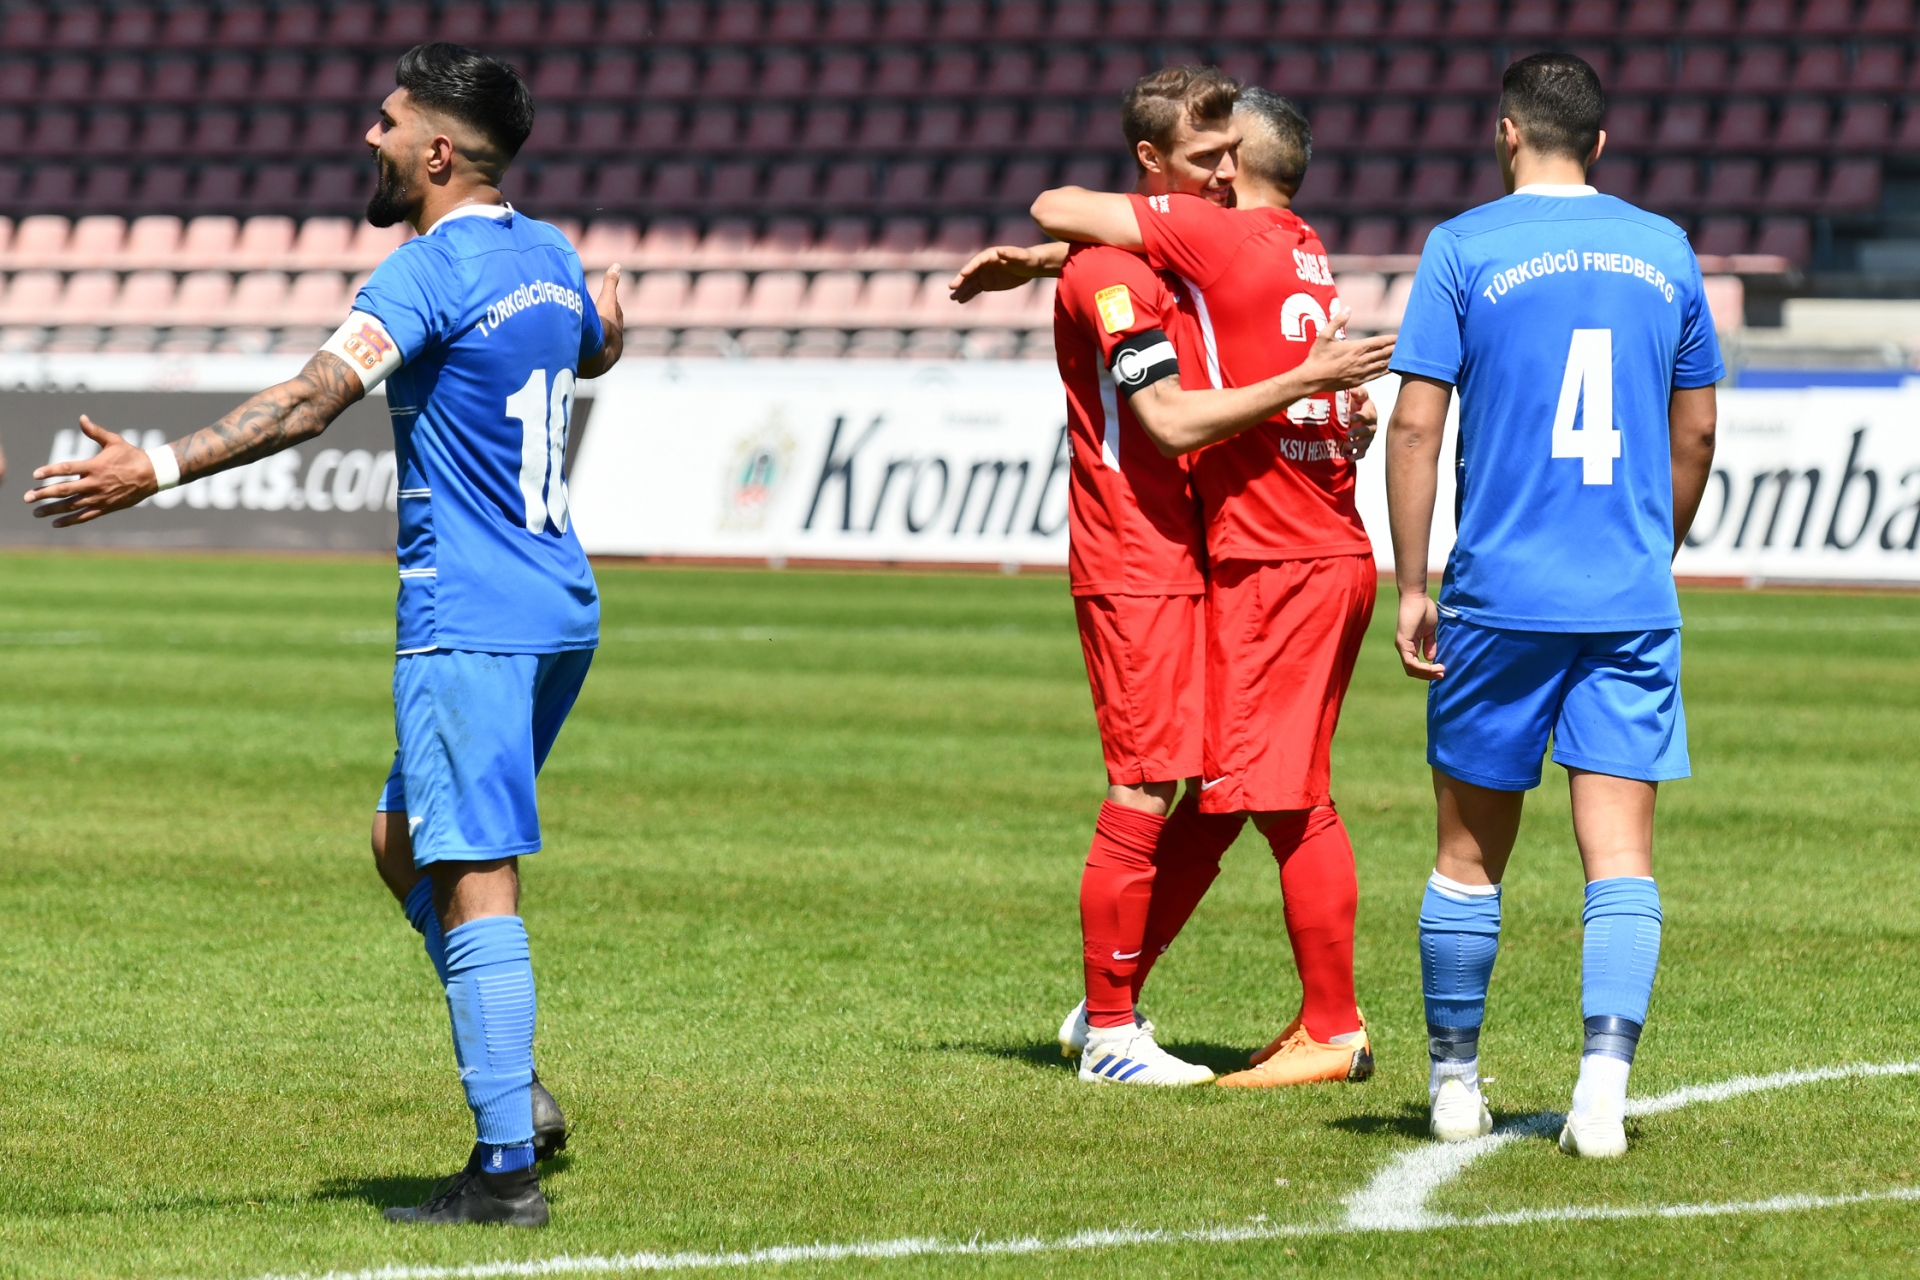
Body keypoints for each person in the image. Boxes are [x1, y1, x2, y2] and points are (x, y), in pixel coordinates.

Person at [25, 43, 624, 1221]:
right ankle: (520, 1091)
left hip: (471, 614)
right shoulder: (549, 258)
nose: (371, 136)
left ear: (438, 154)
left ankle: (503, 1168)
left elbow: (309, 402)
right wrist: (615, 328)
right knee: (404, 839)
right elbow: (591, 345)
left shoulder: (426, 272)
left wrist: (158, 463)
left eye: (391, 122)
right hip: (559, 606)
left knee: (471, 870)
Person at [955, 68, 1393, 1086]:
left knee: (1221, 788)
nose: (1224, 176)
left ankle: (1110, 996)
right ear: (1151, 166)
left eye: (1232, 159)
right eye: (1204, 161)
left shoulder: (1181, 260)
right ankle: (1111, 1029)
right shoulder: (1116, 275)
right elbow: (1163, 418)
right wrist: (1308, 383)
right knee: (1149, 779)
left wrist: (1320, 412)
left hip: (1201, 543)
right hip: (1136, 549)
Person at [1382, 53, 1719, 1155]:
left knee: (1467, 857)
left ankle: (1452, 1080)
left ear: (1505, 132)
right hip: (1624, 594)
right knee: (1618, 853)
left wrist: (1414, 581)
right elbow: (1699, 431)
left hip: (1498, 597)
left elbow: (1419, 425)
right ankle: (1603, 1095)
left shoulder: (1462, 247)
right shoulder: (1666, 249)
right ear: (1603, 146)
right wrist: (1648, 547)